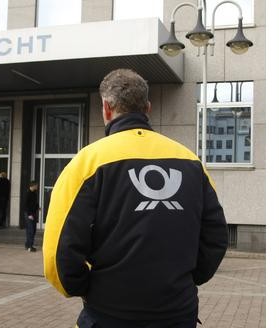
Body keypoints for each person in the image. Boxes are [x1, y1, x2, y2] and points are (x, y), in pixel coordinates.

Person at [43, 69, 228, 328]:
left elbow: (58, 254)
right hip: (178, 313)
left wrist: (87, 288)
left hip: (109, 315)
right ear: (147, 108)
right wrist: (185, 280)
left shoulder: (86, 163)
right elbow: (216, 237)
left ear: (106, 108)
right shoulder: (190, 162)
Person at [24, 181, 39, 252]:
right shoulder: (27, 194)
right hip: (29, 214)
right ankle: (30, 246)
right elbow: (25, 205)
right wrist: (29, 214)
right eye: (36, 186)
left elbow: (35, 202)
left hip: (33, 213)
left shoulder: (34, 193)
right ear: (32, 186)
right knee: (31, 230)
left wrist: (37, 207)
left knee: (33, 230)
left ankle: (28, 245)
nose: (37, 187)